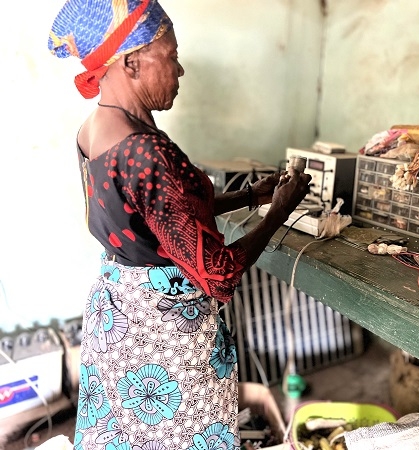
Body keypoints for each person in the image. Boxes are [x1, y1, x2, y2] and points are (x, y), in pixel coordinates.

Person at [48, 1, 312, 449]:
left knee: (131, 434)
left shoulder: (94, 129)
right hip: (164, 337)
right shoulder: (146, 152)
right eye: (171, 56)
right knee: (180, 433)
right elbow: (219, 275)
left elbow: (158, 214)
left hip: (120, 319)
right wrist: (279, 212)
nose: (181, 69)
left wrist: (252, 195)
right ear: (130, 62)